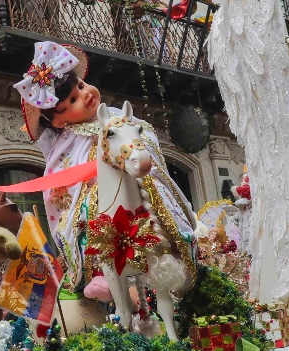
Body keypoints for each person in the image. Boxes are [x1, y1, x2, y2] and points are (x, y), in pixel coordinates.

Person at [15, 41, 197, 296]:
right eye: (73, 99)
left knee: (157, 196)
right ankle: (100, 271)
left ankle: (174, 247)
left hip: (138, 180)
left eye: (81, 86)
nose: (85, 94)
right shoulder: (67, 145)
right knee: (88, 213)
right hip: (101, 197)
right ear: (59, 121)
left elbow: (144, 139)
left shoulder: (117, 117)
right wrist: (91, 182)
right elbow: (63, 181)